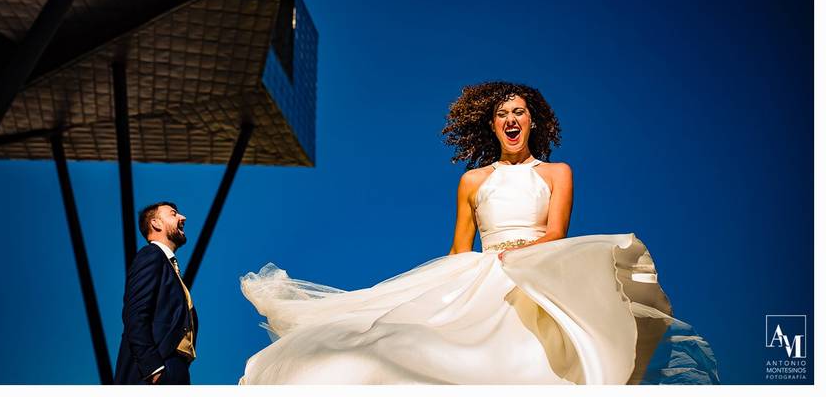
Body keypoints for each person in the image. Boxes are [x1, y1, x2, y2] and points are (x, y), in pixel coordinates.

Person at [239, 81, 719, 384]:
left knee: (536, 361)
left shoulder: (557, 173)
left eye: (520, 112)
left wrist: (519, 256)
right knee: (400, 343)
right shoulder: (472, 180)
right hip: (480, 271)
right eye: (502, 115)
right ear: (492, 126)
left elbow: (557, 232)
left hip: (535, 270)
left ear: (534, 121)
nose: (511, 120)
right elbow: (457, 248)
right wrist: (440, 289)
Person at [114, 201, 199, 385]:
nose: (182, 217)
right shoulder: (151, 255)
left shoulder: (171, 269)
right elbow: (135, 314)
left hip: (177, 368)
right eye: (173, 213)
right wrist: (154, 369)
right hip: (156, 371)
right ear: (156, 224)